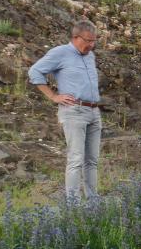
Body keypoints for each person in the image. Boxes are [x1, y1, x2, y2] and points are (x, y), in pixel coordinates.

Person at [28, 19, 101, 201]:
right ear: (76, 37)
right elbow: (34, 72)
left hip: (94, 111)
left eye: (94, 41)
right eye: (87, 41)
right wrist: (53, 96)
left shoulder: (90, 55)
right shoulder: (60, 53)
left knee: (92, 160)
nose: (91, 45)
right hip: (73, 111)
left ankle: (93, 200)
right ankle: (73, 204)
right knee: (76, 159)